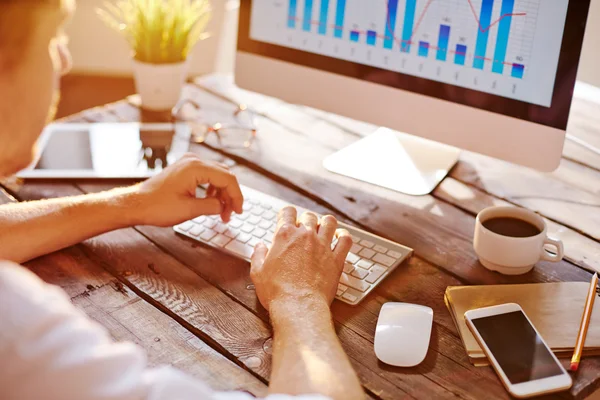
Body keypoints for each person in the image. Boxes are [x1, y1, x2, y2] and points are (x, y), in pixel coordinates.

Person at [0, 1, 365, 399]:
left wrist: (133, 203)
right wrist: (299, 298)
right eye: (56, 38)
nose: (66, 61)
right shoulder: (15, 326)